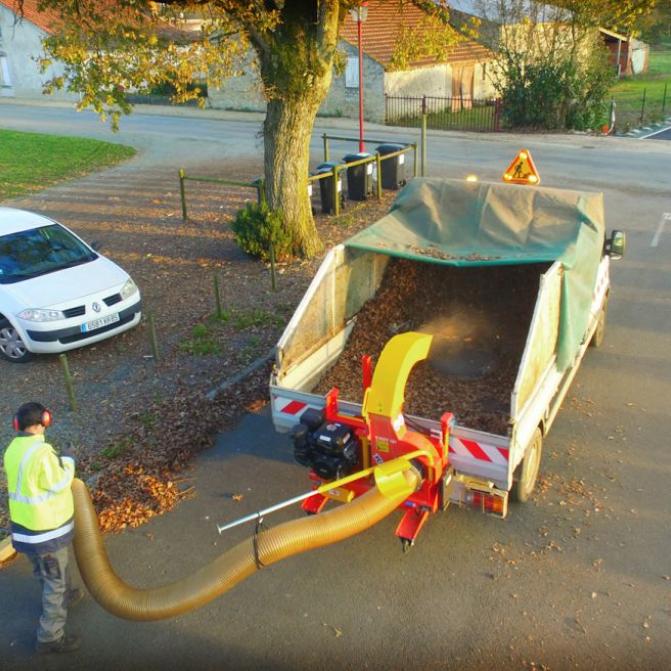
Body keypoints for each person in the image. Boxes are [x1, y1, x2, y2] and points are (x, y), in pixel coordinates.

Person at [3, 402, 82, 654]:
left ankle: (63, 597)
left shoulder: (13, 449)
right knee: (54, 581)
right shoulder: (42, 453)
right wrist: (68, 459)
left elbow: (33, 478)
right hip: (46, 531)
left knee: (45, 574)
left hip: (25, 530)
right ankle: (50, 636)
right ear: (44, 421)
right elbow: (58, 482)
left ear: (17, 424)